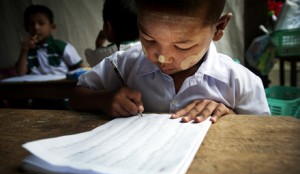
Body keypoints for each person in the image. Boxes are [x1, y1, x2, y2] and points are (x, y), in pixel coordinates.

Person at [70, 0, 271, 123]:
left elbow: (262, 134)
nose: (162, 57)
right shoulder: (122, 66)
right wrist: (104, 99)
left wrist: (230, 116)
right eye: (149, 39)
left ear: (218, 28)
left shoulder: (239, 82)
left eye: (183, 46)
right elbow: (76, 95)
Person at [16, 4, 84, 76]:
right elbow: (21, 73)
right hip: (35, 86)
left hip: (60, 85)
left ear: (52, 27)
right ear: (26, 28)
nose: (36, 27)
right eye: (31, 24)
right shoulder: (28, 50)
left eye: (41, 23)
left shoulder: (61, 46)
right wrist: (24, 50)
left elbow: (81, 68)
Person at [84, 0, 139, 67]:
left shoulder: (107, 54)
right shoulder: (144, 48)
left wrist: (98, 44)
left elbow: (92, 58)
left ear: (108, 26)